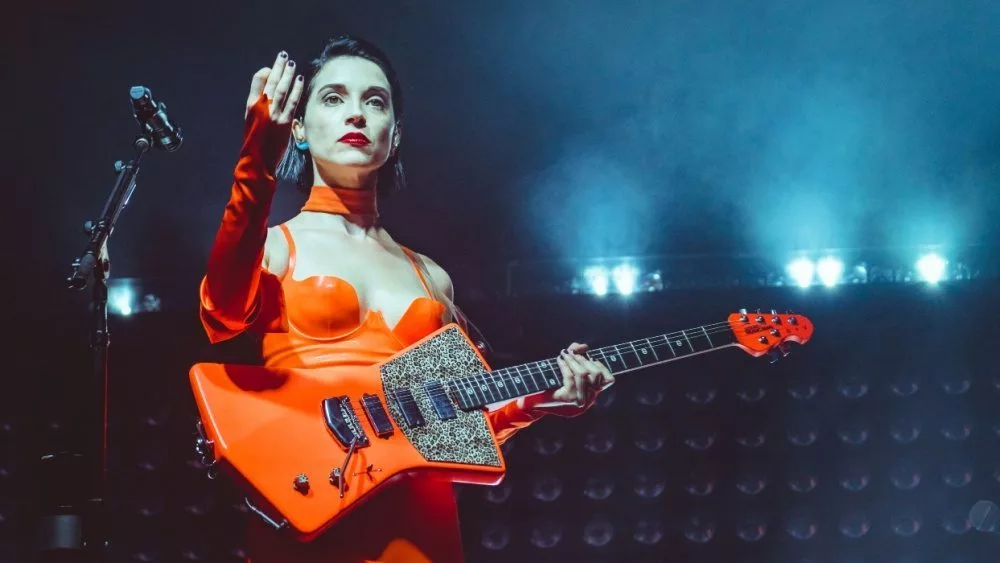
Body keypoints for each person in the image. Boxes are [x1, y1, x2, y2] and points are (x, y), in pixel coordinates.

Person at [197, 35, 615, 563]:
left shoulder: (432, 277)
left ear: (394, 135)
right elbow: (221, 313)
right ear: (298, 128)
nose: (356, 113)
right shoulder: (278, 245)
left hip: (421, 520)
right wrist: (257, 157)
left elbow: (464, 421)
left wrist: (538, 403)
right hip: (311, 501)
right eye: (333, 98)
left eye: (375, 102)